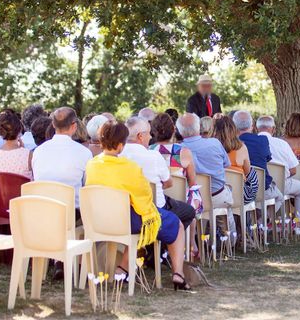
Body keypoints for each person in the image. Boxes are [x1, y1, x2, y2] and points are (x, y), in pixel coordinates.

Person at [85, 122, 191, 292]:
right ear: (120, 144)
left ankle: (123, 268)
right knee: (174, 223)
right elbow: (145, 196)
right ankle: (178, 273)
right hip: (127, 221)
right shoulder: (130, 167)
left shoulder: (92, 164)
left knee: (139, 221)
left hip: (99, 219)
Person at [150, 112, 199, 259]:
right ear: (173, 130)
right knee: (193, 205)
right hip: (179, 203)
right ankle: (190, 245)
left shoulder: (148, 152)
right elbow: (192, 182)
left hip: (155, 202)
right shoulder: (183, 152)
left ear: (153, 131)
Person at [177, 113, 235, 232]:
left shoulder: (178, 150)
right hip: (217, 195)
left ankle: (200, 238)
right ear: (198, 127)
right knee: (227, 195)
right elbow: (227, 164)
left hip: (193, 200)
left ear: (180, 131)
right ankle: (230, 238)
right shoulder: (214, 143)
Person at [256, 115, 300, 234]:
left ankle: (264, 222)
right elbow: (293, 170)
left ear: (256, 129)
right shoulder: (281, 144)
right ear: (273, 129)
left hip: (257, 184)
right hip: (281, 184)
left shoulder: (248, 144)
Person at [31, 107, 93, 208]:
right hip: (72, 214)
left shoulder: (38, 151)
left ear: (53, 124)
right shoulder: (84, 153)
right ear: (74, 126)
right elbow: (86, 186)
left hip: (43, 211)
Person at [233, 110, 283, 212]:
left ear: (234, 126)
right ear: (252, 125)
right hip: (261, 188)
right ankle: (264, 222)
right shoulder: (262, 140)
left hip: (238, 189)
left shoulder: (230, 144)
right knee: (280, 197)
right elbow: (268, 158)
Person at [212, 116, 259, 205]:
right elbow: (247, 171)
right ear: (234, 130)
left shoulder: (211, 149)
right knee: (252, 172)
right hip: (240, 195)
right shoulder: (241, 147)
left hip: (216, 193)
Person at [0, 110, 33, 179]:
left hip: (2, 190)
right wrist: (24, 150)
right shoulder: (28, 155)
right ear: (19, 130)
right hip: (22, 190)